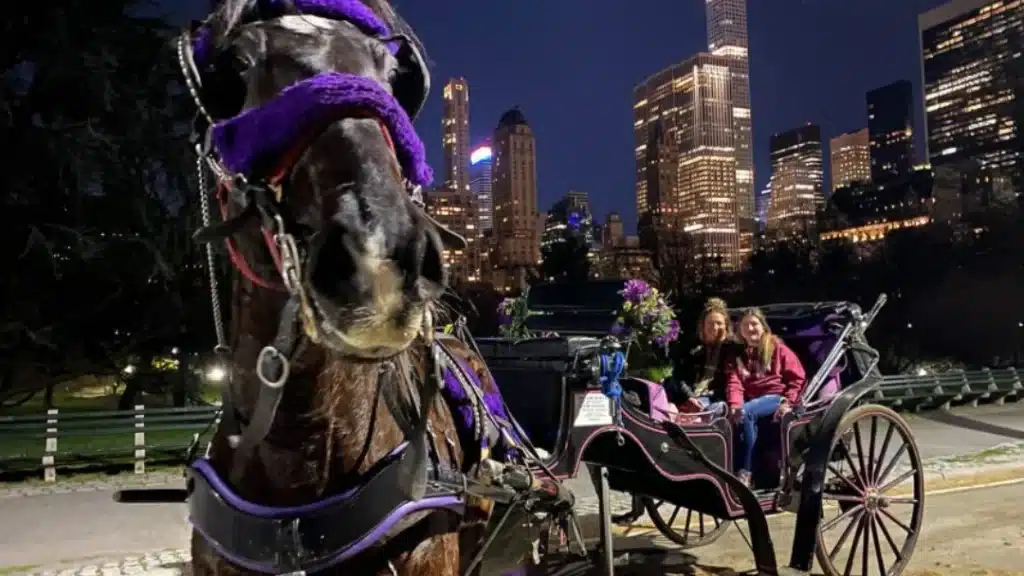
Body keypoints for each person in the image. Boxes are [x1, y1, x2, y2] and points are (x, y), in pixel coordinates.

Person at [725, 308, 806, 487]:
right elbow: (734, 383)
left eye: (754, 324)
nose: (750, 328)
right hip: (750, 399)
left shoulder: (778, 348)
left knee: (746, 413)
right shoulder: (738, 355)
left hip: (775, 396)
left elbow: (797, 377)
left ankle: (745, 472)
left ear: (763, 327)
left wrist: (789, 401)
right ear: (740, 331)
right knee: (732, 415)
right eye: (745, 325)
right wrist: (734, 404)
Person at [663, 298, 739, 415]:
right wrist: (689, 396)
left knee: (702, 413)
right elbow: (679, 374)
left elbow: (732, 381)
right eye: (710, 323)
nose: (714, 327)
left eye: (719, 323)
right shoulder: (692, 346)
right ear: (702, 325)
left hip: (713, 399)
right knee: (667, 409)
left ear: (726, 325)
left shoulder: (732, 349)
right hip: (688, 395)